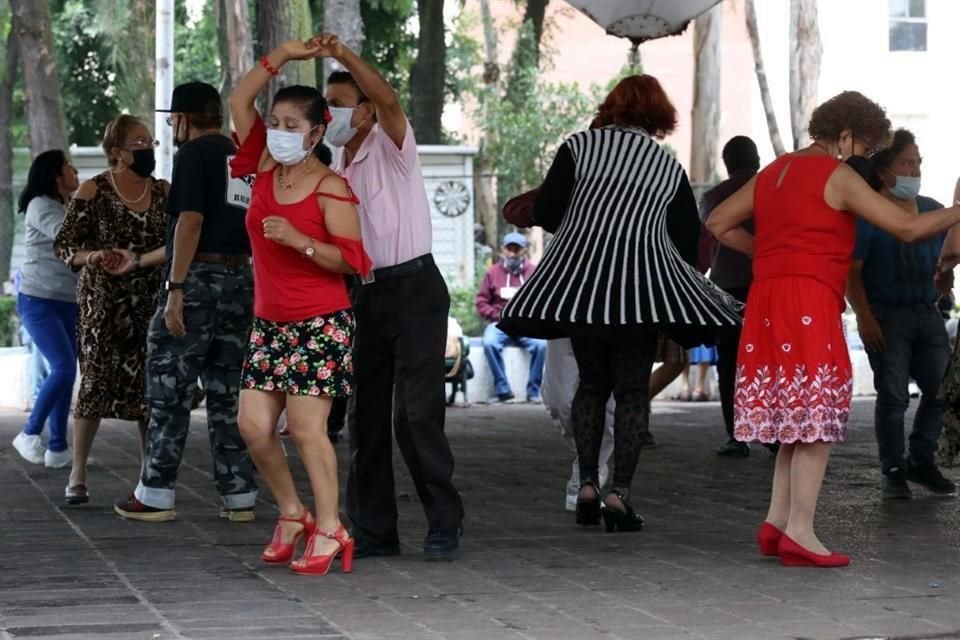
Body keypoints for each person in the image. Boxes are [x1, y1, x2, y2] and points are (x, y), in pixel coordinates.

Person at [707, 91, 960, 568]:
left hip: (767, 299)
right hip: (809, 298)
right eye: (865, 147)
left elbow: (719, 222)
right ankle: (800, 532)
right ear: (845, 136)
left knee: (793, 415)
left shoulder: (775, 170)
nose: (863, 158)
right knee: (816, 414)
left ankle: (776, 522)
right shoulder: (835, 175)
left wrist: (769, 253)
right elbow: (907, 229)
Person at [499, 75, 743, 533]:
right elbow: (686, 239)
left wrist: (589, 220)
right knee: (631, 392)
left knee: (591, 384)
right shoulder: (666, 166)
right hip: (640, 290)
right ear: (659, 116)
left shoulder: (578, 147)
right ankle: (620, 494)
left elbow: (547, 212)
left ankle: (587, 484)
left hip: (583, 286)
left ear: (611, 106)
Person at [311, 32, 465, 560]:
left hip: (415, 287)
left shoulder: (393, 143)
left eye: (338, 104)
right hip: (363, 294)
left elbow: (390, 98)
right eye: (325, 105)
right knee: (366, 416)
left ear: (366, 109)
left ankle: (444, 521)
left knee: (416, 414)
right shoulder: (333, 170)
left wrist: (342, 54)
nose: (329, 114)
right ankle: (375, 529)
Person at [228, 39, 371, 575]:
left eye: (292, 125)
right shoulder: (265, 165)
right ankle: (292, 513)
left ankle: (331, 528)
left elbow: (352, 260)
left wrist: (299, 241)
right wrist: (283, 56)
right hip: (269, 323)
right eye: (275, 122)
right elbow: (238, 100)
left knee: (309, 429)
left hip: (321, 322)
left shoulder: (332, 188)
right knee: (253, 426)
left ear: (315, 134)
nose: (279, 132)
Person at [114, 82, 259, 522]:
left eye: (172, 119)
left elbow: (190, 221)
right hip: (241, 280)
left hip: (198, 280)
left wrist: (175, 288)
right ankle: (239, 494)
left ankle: (156, 493)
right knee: (228, 393)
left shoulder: (193, 154)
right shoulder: (238, 154)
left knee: (169, 388)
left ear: (183, 118)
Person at [54, 115, 168, 505]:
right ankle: (78, 472)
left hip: (149, 298)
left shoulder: (163, 191)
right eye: (140, 143)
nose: (148, 149)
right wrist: (93, 256)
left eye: (151, 142)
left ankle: (149, 473)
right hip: (102, 301)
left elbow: (178, 241)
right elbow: (64, 244)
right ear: (117, 151)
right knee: (94, 382)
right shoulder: (94, 189)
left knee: (149, 386)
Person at [845, 129, 956, 499]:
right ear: (884, 171)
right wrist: (865, 318)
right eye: (907, 163)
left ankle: (921, 459)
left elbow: (947, 256)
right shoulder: (868, 214)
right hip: (886, 316)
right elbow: (852, 273)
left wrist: (946, 275)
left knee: (940, 391)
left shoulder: (932, 209)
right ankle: (893, 469)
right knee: (893, 396)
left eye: (918, 162)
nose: (915, 170)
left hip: (927, 312)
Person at [10, 151, 80, 468]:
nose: (74, 170)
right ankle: (29, 432)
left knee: (65, 372)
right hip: (38, 301)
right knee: (63, 368)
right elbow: (69, 236)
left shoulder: (67, 205)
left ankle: (58, 449)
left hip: (67, 301)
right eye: (68, 166)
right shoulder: (40, 205)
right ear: (56, 175)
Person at [701, 136, 762, 457]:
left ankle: (736, 435)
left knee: (729, 364)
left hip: (725, 289)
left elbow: (704, 245)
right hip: (765, 284)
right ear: (758, 159)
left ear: (727, 165)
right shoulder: (771, 188)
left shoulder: (714, 197)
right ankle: (774, 432)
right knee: (769, 358)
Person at [476, 232, 546, 403]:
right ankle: (503, 390)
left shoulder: (533, 272)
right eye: (509, 249)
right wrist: (496, 316)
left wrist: (530, 317)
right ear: (503, 250)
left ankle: (533, 391)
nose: (513, 253)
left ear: (524, 250)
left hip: (525, 323)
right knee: (490, 343)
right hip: (500, 323)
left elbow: (541, 300)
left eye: (517, 249)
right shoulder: (492, 273)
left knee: (541, 345)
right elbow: (481, 301)